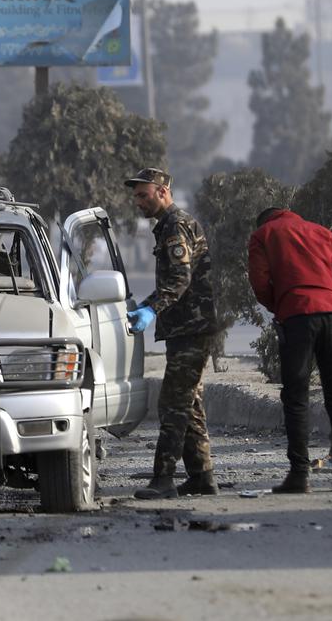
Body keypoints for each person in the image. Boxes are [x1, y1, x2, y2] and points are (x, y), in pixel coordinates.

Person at [124, 168, 220, 500]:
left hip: (192, 327)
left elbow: (179, 279)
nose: (138, 202)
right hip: (185, 327)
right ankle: (202, 477)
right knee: (190, 403)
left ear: (163, 192)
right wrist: (148, 305)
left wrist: (152, 310)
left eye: (143, 194)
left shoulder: (176, 226)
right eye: (136, 196)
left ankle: (163, 478)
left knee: (173, 403)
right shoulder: (167, 226)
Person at [247, 208, 332, 493]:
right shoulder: (323, 231)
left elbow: (259, 282)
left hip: (296, 315)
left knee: (296, 395)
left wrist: (281, 303)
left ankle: (299, 474)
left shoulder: (263, 235)